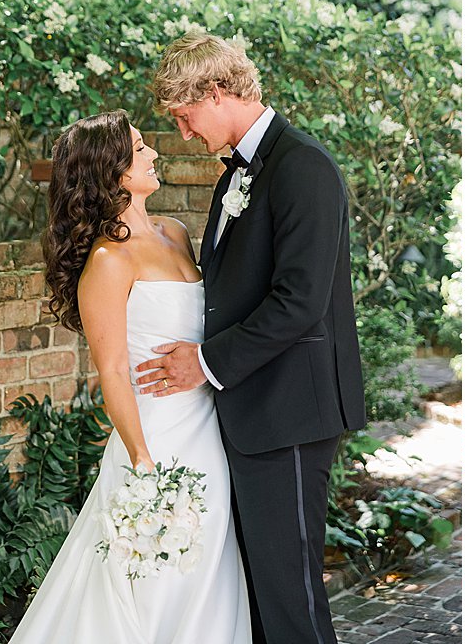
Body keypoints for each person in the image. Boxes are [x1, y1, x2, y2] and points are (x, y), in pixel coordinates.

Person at [133, 32, 367, 644]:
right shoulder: (240, 172)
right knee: (261, 593)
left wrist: (206, 363)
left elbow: (300, 302)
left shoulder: (303, 167)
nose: (183, 134)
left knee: (290, 598)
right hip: (253, 409)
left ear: (216, 92)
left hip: (289, 410)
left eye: (185, 117)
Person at [13, 110, 250, 643]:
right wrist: (142, 460)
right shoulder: (107, 261)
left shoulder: (177, 233)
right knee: (157, 575)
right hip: (155, 439)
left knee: (210, 560)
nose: (154, 154)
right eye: (140, 148)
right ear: (113, 169)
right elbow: (114, 371)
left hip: (207, 427)